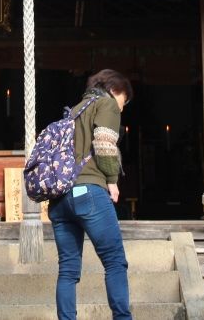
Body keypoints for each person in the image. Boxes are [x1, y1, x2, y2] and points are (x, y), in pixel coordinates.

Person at [48, 69, 134, 320]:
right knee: (115, 261)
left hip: (60, 199)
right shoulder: (106, 104)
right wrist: (113, 181)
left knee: (68, 271)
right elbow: (104, 144)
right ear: (116, 90)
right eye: (124, 100)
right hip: (88, 192)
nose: (123, 107)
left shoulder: (74, 110)